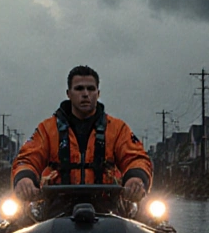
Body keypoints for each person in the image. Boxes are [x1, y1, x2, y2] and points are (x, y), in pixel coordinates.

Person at [11, 66, 152, 206]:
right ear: (68, 93)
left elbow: (135, 158)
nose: (85, 94)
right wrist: (25, 179)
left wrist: (135, 178)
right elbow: (28, 159)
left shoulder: (117, 129)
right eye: (79, 89)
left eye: (91, 89)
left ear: (98, 93)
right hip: (57, 210)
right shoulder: (47, 129)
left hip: (107, 209)